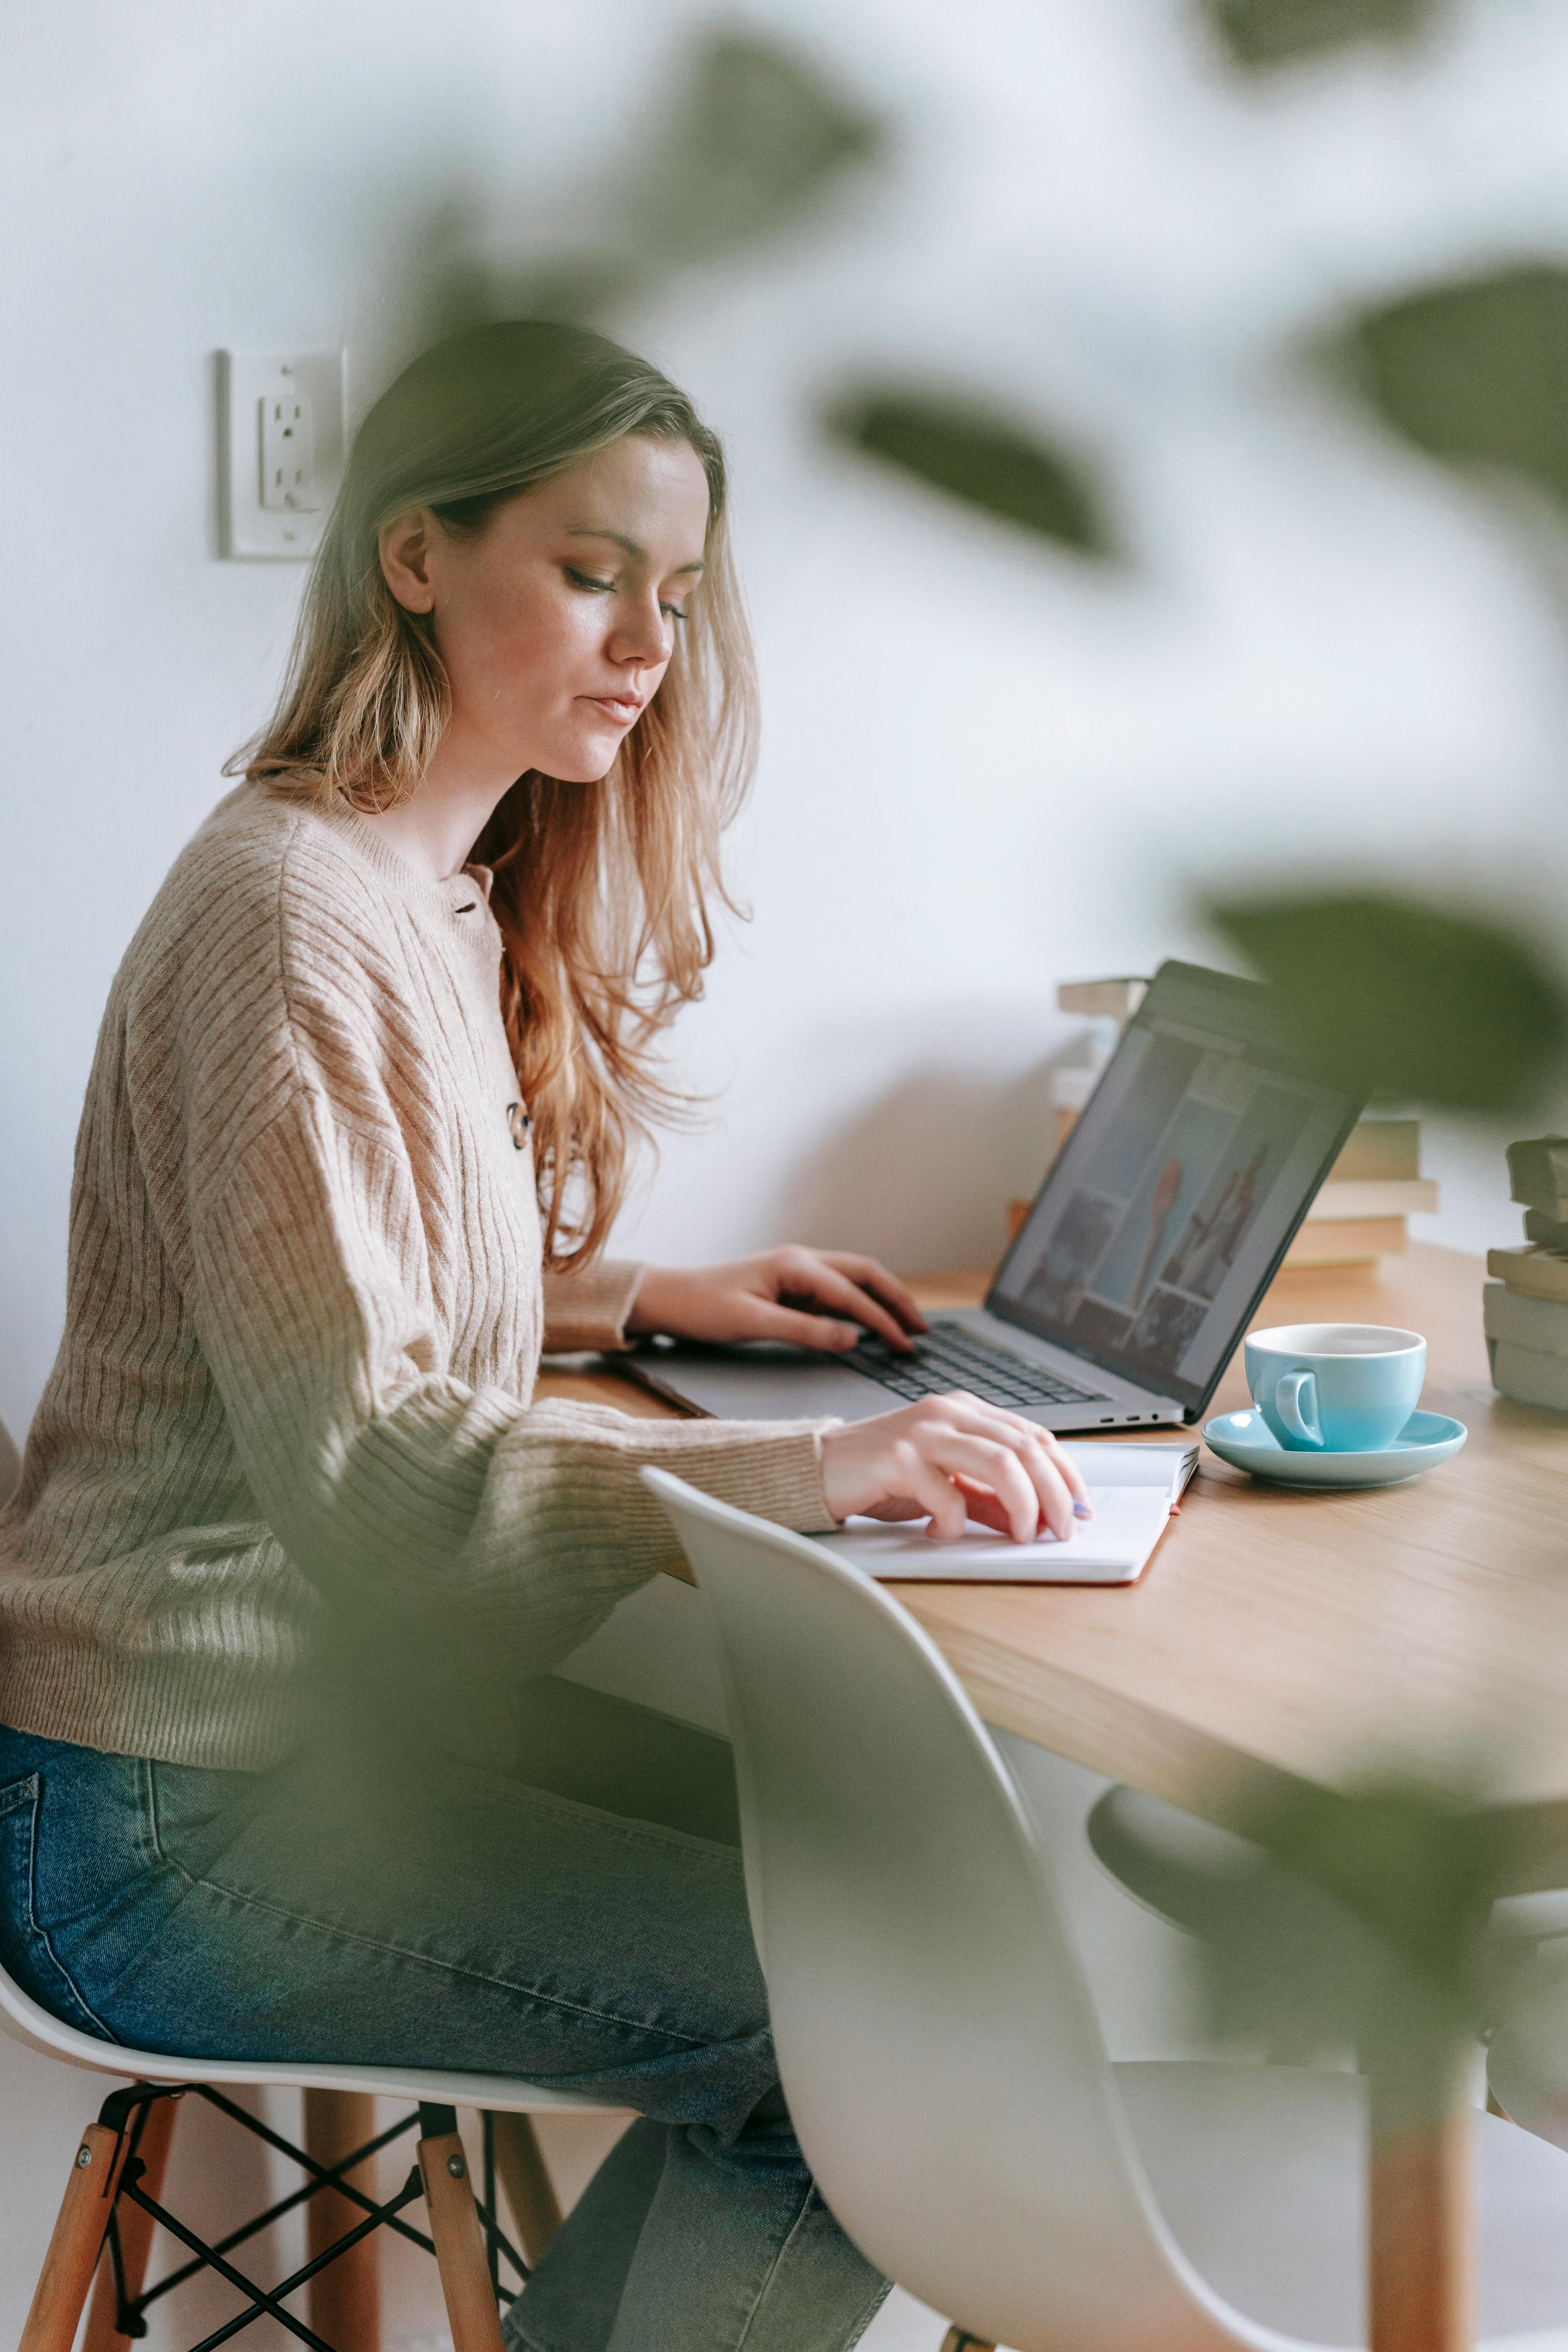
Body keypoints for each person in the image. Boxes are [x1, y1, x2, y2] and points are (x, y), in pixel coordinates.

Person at [0, 319, 1087, 2351]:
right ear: (416, 556)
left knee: (859, 1864)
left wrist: (630, 1299)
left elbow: (319, 1281)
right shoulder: (290, 916)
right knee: (866, 2038)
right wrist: (809, 1463)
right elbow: (383, 1482)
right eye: (593, 572)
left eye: (672, 595)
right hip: (162, 1807)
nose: (648, 645)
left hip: (308, 1741)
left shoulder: (427, 891)